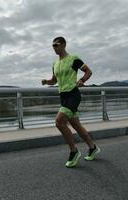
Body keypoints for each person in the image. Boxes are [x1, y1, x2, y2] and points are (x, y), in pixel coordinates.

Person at [42, 36, 100, 168]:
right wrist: (46, 82)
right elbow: (54, 80)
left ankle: (74, 151)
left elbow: (88, 71)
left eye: (56, 45)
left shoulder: (73, 59)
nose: (54, 48)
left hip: (73, 94)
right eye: (53, 46)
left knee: (59, 122)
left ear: (63, 45)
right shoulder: (55, 64)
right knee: (76, 126)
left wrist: (82, 81)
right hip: (63, 96)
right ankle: (92, 147)